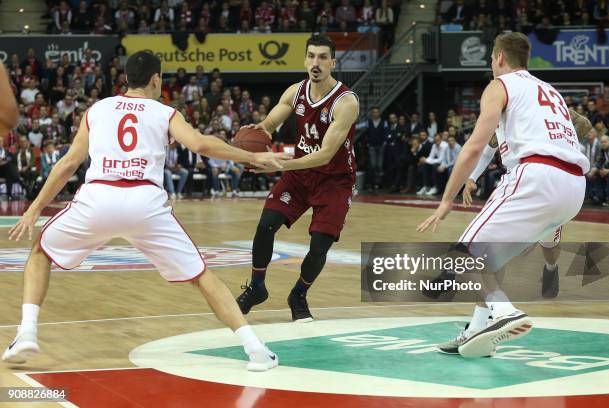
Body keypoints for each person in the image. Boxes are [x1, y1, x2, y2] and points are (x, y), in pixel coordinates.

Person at [2, 51, 288, 372]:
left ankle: (26, 333)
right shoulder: (165, 112)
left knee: (41, 253)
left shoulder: (97, 109)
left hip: (99, 197)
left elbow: (68, 163)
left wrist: (34, 209)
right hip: (145, 203)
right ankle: (256, 350)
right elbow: (201, 145)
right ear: (156, 79)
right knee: (202, 277)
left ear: (126, 79)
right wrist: (252, 158)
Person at [417, 32, 589, 358]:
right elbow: (581, 128)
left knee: (465, 254)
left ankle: (505, 312)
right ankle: (478, 329)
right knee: (490, 260)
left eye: (491, 60)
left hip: (535, 177)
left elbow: (475, 145)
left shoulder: (500, 86)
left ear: (498, 58)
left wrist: (446, 200)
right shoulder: (549, 90)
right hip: (575, 186)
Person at [236, 35, 359, 322]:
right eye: (312, 56)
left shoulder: (346, 102)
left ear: (332, 62)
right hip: (299, 174)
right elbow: (268, 125)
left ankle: (298, 294)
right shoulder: (295, 91)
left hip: (334, 179)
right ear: (305, 59)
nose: (316, 63)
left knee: (319, 245)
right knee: (266, 225)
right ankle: (256, 287)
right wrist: (256, 136)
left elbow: (326, 154)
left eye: (322, 57)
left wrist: (278, 164)